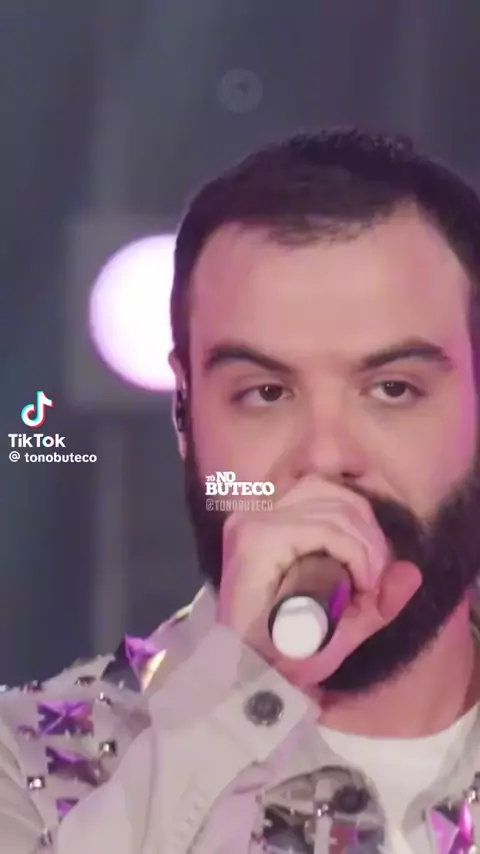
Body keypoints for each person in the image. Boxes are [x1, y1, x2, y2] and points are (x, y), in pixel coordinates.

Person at [2, 128, 480, 854]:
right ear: (184, 414)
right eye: (265, 393)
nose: (324, 457)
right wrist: (229, 705)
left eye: (392, 389)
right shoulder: (26, 763)